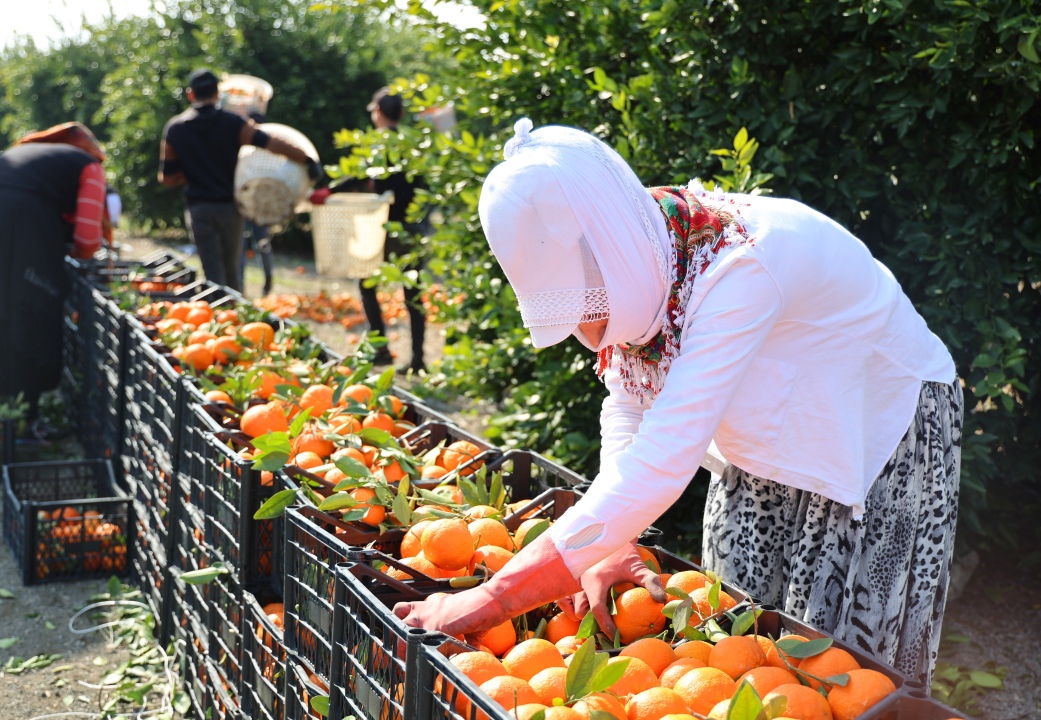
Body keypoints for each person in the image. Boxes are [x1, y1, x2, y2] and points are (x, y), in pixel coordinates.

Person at [394, 120, 962, 687]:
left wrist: (494, 599)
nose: (593, 333)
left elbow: (663, 458)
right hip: (768, 434)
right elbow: (627, 403)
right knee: (733, 646)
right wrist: (614, 543)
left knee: (836, 675)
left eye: (591, 308)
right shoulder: (650, 247)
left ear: (612, 261)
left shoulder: (735, 270)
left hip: (876, 428)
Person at [159, 68, 318, 292]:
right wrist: (306, 159)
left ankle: (216, 314)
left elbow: (167, 177)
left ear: (190, 94)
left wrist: (195, 170)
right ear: (217, 93)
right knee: (232, 271)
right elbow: (269, 142)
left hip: (199, 208)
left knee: (212, 272)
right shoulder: (233, 123)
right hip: (229, 208)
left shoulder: (176, 128)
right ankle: (235, 316)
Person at [0, 122, 108, 423]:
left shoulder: (24, 154)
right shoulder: (90, 167)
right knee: (32, 309)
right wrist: (76, 253)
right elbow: (87, 239)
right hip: (25, 223)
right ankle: (24, 417)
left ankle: (10, 414)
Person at [322, 87, 428, 372]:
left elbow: (359, 173)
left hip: (384, 227)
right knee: (413, 292)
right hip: (414, 227)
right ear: (402, 114)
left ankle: (380, 350)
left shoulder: (378, 143)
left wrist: (328, 191)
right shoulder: (413, 144)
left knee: (367, 285)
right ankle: (418, 360)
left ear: (378, 112)